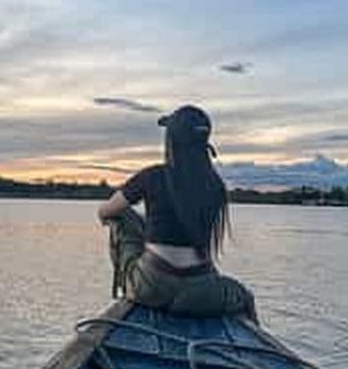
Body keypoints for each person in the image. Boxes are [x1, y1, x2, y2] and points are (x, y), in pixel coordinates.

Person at [97, 104, 257, 320]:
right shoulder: (216, 186)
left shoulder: (151, 176)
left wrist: (135, 225)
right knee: (246, 297)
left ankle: (124, 292)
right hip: (201, 292)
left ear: (171, 142)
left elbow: (105, 211)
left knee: (121, 216)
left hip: (150, 288)